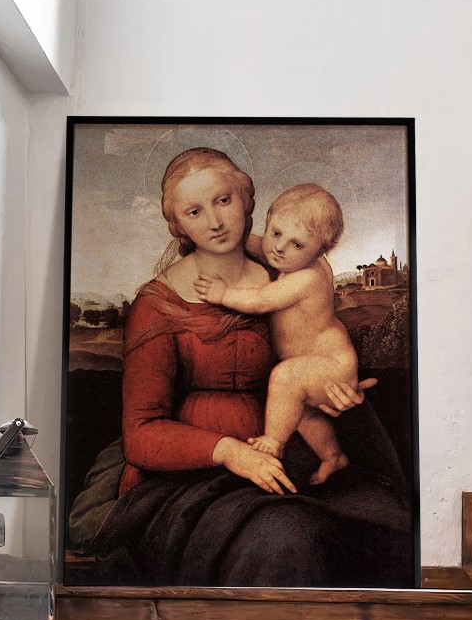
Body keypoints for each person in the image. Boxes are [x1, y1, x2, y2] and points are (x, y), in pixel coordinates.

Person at [68, 146, 414, 587]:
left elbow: (307, 360)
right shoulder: (156, 305)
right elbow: (141, 433)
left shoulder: (284, 277)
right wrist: (233, 452)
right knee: (285, 537)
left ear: (248, 203)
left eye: (224, 200)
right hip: (190, 478)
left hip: (288, 454)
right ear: (178, 224)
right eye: (195, 211)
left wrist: (332, 396)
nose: (215, 221)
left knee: (383, 522)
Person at [192, 183, 356, 485]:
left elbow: (261, 300)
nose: (279, 247)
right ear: (269, 222)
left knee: (285, 378)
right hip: (324, 362)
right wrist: (234, 236)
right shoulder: (294, 260)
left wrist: (223, 293)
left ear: (320, 251)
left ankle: (274, 442)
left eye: (297, 244)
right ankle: (333, 456)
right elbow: (261, 246)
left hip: (333, 365)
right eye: (276, 232)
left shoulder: (307, 278)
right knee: (301, 414)